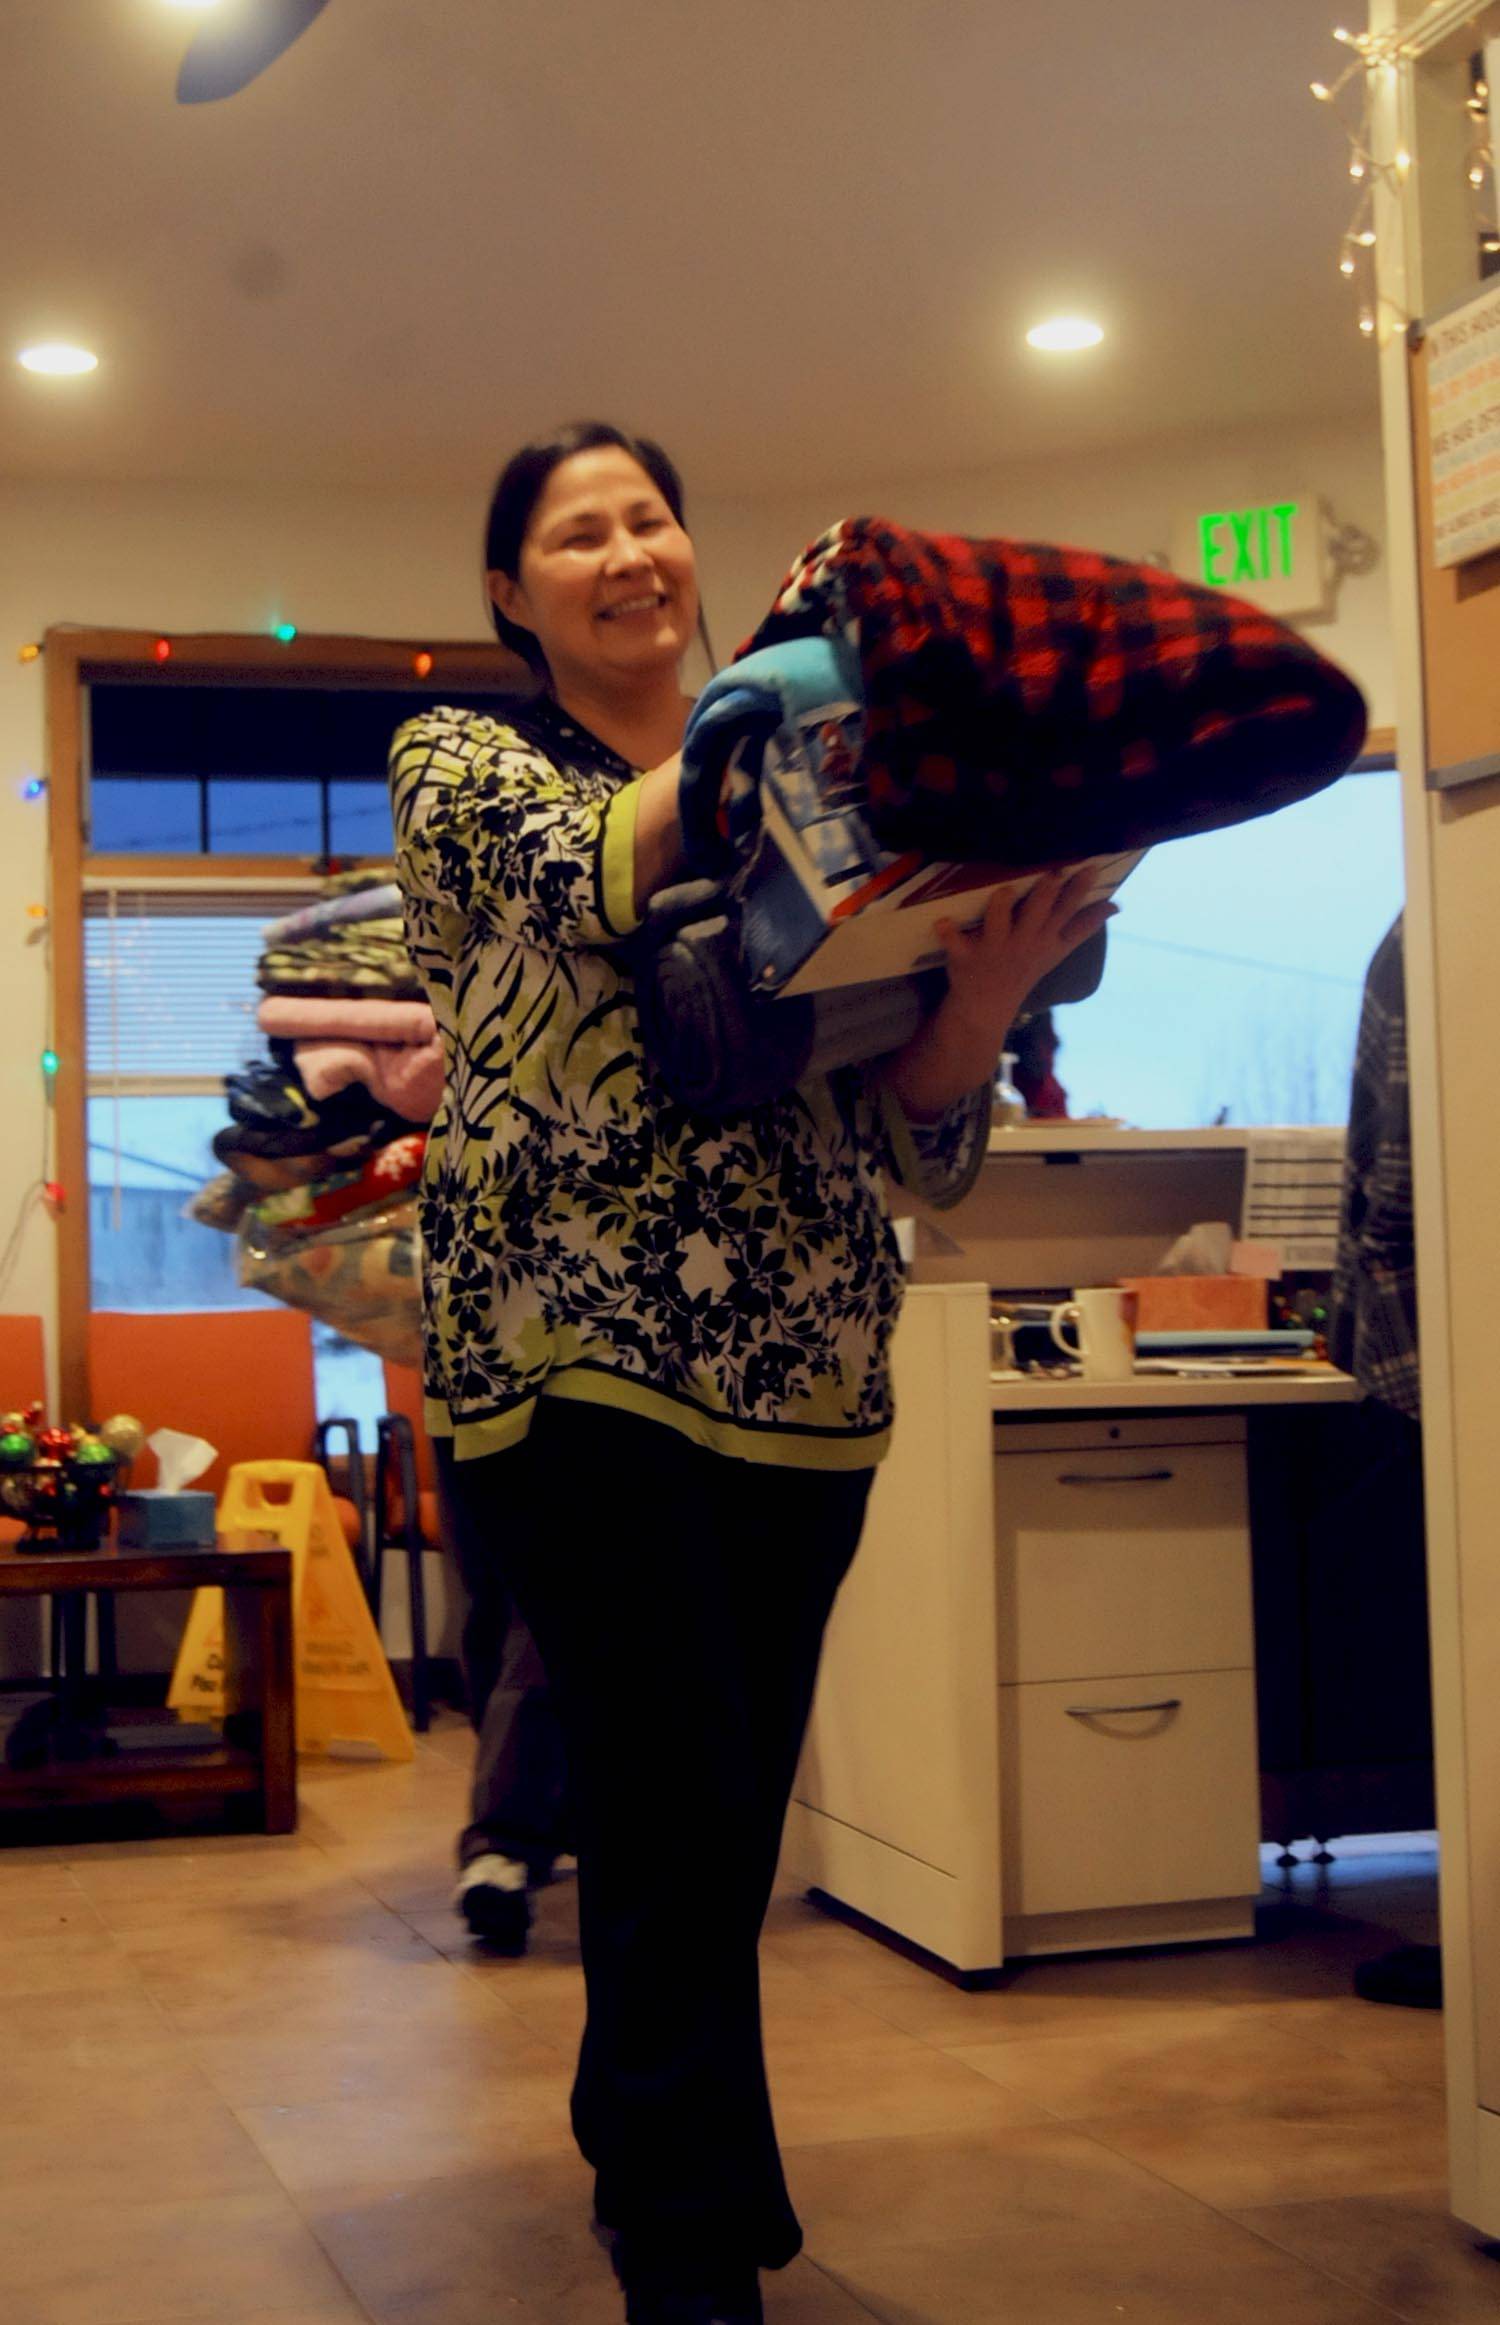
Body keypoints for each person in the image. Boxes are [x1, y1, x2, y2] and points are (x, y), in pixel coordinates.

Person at [388, 420, 1111, 2325]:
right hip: (570, 1358)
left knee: (719, 1805)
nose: (629, 552)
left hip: (804, 1368)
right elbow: (587, 881)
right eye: (578, 533)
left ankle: (655, 2144)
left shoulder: (817, 788)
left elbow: (911, 1136)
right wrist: (794, 729)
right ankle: (688, 2232)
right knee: (659, 1775)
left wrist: (985, 982)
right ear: (508, 593)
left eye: (650, 518)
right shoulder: (469, 763)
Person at [1329, 916, 1439, 2010]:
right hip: (1445, 1354)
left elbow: (1393, 1184)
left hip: (1436, 1361)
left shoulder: (1424, 934)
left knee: (1445, 1656)